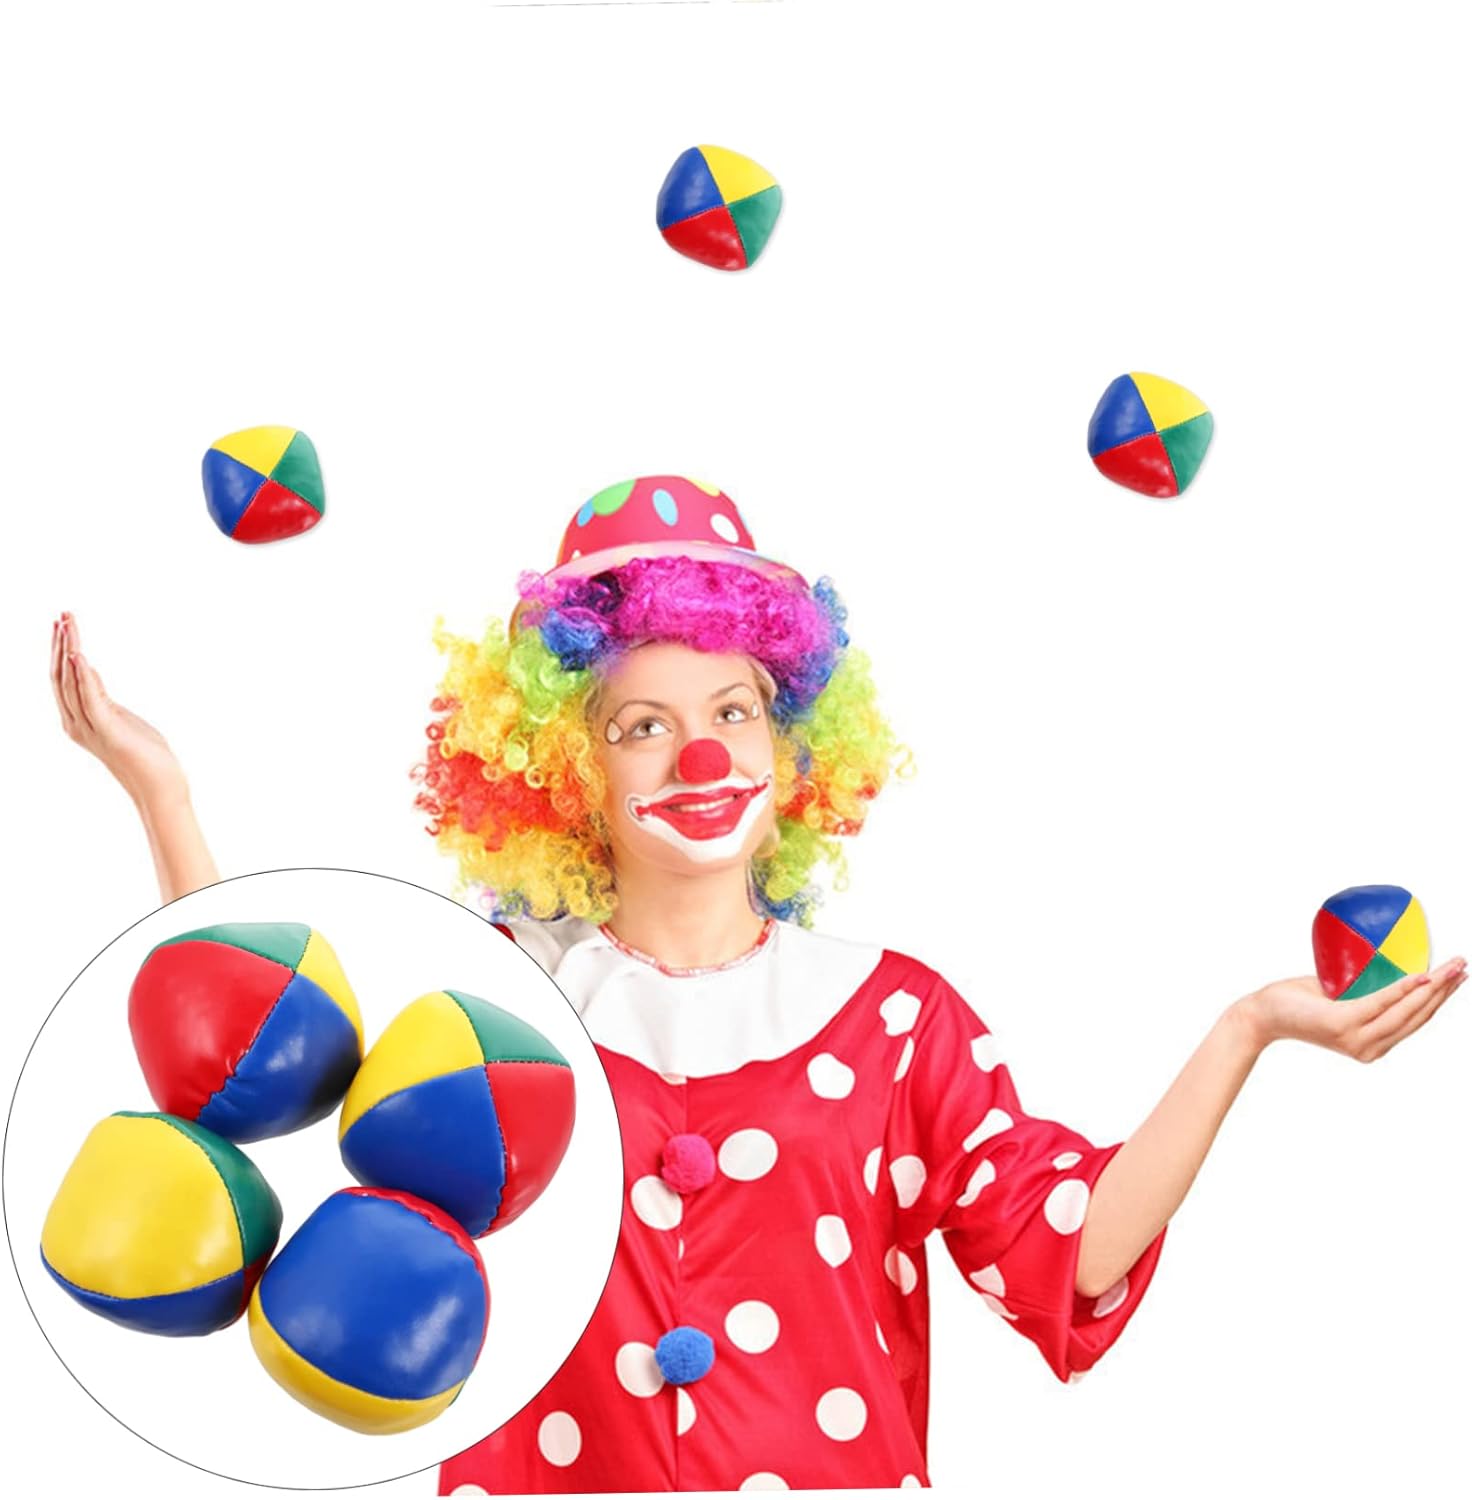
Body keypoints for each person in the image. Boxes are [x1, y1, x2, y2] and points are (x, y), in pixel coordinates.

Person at [50, 476, 1466, 1493]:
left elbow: (1071, 1250)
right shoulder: (500, 1011)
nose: (701, 755)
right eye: (642, 725)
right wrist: (162, 794)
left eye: (734, 712)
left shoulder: (896, 1018)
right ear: (565, 771)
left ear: (793, 752)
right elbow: (254, 1044)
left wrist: (1248, 1029)